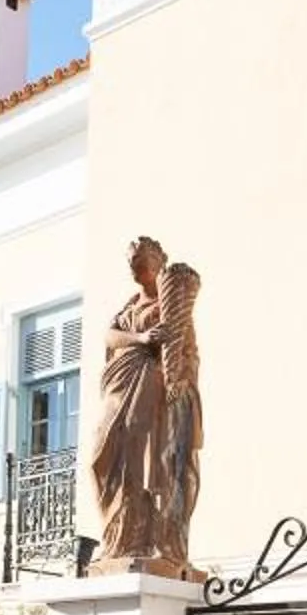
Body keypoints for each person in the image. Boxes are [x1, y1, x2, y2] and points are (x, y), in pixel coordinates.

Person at [89, 235, 207, 578]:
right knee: (103, 457)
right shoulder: (128, 309)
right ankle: (119, 539)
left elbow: (187, 351)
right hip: (121, 385)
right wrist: (140, 338)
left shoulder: (171, 304)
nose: (134, 268)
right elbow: (109, 336)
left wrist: (180, 379)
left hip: (153, 391)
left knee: (151, 464)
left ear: (159, 262)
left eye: (141, 261)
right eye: (131, 262)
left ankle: (154, 540)